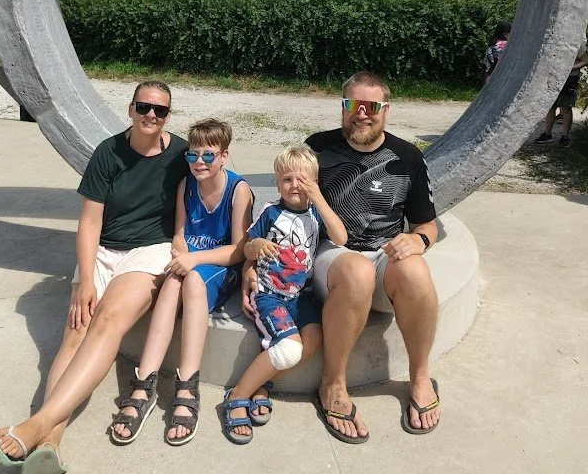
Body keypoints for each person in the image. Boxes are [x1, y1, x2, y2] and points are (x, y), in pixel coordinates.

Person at [0, 81, 188, 473]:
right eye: (144, 107)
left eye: (160, 111)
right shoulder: (108, 153)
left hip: (150, 250)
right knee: (76, 329)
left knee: (109, 321)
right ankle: (50, 441)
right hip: (103, 248)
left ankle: (37, 425)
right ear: (130, 109)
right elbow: (90, 220)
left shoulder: (181, 153)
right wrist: (85, 282)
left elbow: (219, 178)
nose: (151, 115)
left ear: (168, 116)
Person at [243, 71, 440, 443]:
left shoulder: (407, 157)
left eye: (372, 106)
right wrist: (250, 266)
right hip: (331, 256)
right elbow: (279, 215)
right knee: (355, 271)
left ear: (386, 110)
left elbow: (427, 224)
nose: (362, 113)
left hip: (383, 253)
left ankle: (420, 376)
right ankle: (333, 384)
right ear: (343, 106)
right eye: (353, 104)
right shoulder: (318, 148)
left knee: (414, 271)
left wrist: (419, 242)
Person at [111, 118, 253, 446]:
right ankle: (144, 382)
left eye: (208, 155)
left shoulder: (238, 190)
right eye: (192, 156)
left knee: (188, 281)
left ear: (223, 156)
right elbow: (179, 232)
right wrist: (180, 252)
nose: (199, 163)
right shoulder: (185, 186)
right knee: (173, 282)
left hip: (217, 266)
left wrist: (193, 260)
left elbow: (238, 250)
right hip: (189, 263)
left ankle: (187, 382)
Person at [223, 145, 347, 444]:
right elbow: (247, 248)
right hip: (270, 294)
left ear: (315, 183)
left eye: (303, 180)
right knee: (290, 349)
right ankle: (237, 395)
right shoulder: (271, 212)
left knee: (314, 341)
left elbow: (341, 237)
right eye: (287, 179)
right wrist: (257, 248)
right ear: (277, 183)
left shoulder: (317, 213)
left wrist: (318, 198)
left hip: (301, 295)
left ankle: (263, 385)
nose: (295, 186)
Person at [536, 40, 588, 146]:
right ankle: (547, 134)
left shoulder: (577, 43)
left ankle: (564, 137)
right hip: (553, 78)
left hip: (569, 79)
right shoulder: (552, 40)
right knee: (551, 107)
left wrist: (569, 68)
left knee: (565, 108)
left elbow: (585, 60)